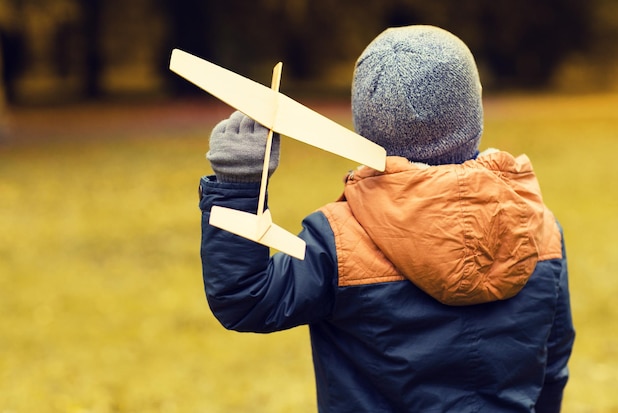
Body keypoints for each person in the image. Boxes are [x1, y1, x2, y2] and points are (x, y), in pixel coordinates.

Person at [199, 25, 575, 412]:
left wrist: (237, 186)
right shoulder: (537, 227)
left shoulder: (338, 241)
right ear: (473, 110)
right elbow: (553, 359)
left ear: (365, 127)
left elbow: (246, 298)